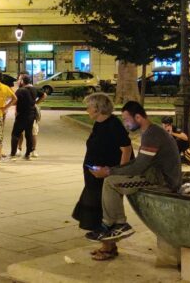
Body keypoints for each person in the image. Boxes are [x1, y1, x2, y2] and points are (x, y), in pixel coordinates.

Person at [87, 101, 182, 247]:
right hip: (155, 175)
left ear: (138, 117)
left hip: (162, 181)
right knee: (112, 179)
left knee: (110, 182)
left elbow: (139, 166)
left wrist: (109, 171)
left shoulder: (152, 134)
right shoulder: (150, 132)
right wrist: (113, 169)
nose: (125, 124)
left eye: (126, 119)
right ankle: (115, 224)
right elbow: (139, 162)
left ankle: (115, 224)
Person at [72, 93, 133, 261]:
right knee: (97, 210)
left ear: (98, 108)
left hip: (106, 177)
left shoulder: (113, 124)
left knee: (104, 211)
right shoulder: (99, 124)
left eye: (89, 107)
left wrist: (117, 172)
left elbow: (126, 149)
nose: (87, 110)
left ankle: (107, 248)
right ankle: (108, 245)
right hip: (94, 178)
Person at [9, 74, 41, 161]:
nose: (18, 81)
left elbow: (14, 101)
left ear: (22, 81)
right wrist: (36, 102)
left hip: (22, 115)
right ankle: (28, 154)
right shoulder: (34, 89)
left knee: (15, 134)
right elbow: (43, 95)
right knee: (29, 134)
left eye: (19, 80)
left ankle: (13, 154)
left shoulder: (20, 90)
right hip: (31, 115)